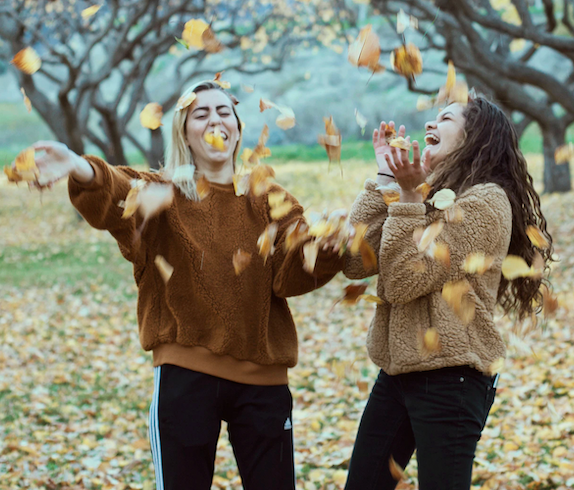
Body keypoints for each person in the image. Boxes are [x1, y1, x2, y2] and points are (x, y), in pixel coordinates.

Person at [26, 80, 345, 490]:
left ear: (237, 127)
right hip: (186, 377)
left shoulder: (268, 197)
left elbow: (291, 272)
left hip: (264, 381)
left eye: (223, 111)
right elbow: (117, 192)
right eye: (201, 113)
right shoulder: (164, 193)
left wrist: (329, 243)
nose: (215, 120)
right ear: (185, 133)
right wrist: (79, 166)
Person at [343, 95, 552, 490]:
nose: (429, 125)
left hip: (450, 377)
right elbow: (356, 262)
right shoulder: (421, 193)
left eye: (445, 118)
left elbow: (405, 278)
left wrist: (407, 200)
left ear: (475, 136)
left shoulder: (486, 202)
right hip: (398, 371)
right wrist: (386, 180)